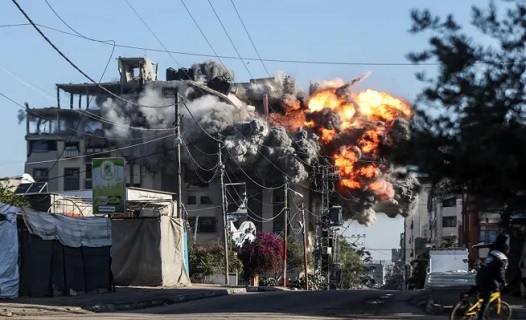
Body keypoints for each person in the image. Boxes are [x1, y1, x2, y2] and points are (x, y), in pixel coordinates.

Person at [475, 234, 509, 320]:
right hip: (488, 279)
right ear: (504, 250)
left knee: (481, 292)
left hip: (480, 274)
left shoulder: (492, 253)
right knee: (487, 298)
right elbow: (500, 272)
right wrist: (503, 282)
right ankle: (480, 317)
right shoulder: (502, 258)